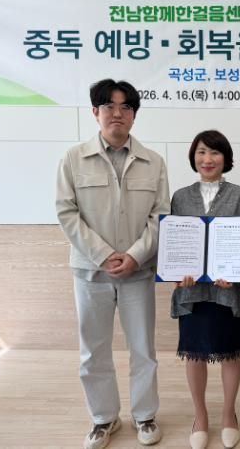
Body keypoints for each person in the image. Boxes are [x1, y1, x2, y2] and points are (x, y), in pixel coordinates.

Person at [56, 79, 169, 449]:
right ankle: (103, 419)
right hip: (91, 272)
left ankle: (145, 415)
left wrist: (135, 255)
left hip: (138, 272)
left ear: (134, 115)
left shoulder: (153, 162)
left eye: (125, 107)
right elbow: (66, 212)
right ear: (95, 112)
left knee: (143, 349)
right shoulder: (73, 158)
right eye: (109, 106)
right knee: (93, 350)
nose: (117, 113)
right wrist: (103, 254)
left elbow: (160, 216)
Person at [170, 130, 240, 449]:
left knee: (229, 352)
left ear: (226, 158)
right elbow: (174, 240)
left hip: (227, 290)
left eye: (215, 152)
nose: (208, 159)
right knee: (194, 354)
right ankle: (200, 416)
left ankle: (229, 414)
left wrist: (234, 270)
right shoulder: (180, 196)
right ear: (193, 156)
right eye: (202, 152)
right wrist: (177, 271)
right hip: (192, 291)